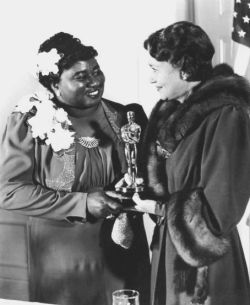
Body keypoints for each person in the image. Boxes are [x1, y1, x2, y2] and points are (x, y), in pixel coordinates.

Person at [0, 32, 150, 305]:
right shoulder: (29, 122)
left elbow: (149, 176)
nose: (94, 81)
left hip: (125, 251)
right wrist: (81, 204)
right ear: (54, 84)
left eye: (96, 70)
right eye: (81, 76)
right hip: (63, 260)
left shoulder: (126, 116)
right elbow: (8, 191)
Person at [132, 21, 250, 305]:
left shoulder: (228, 116)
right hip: (169, 255)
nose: (151, 79)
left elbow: (219, 212)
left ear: (184, 68)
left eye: (155, 69)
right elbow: (169, 182)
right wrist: (138, 190)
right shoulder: (169, 111)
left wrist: (159, 208)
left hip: (205, 268)